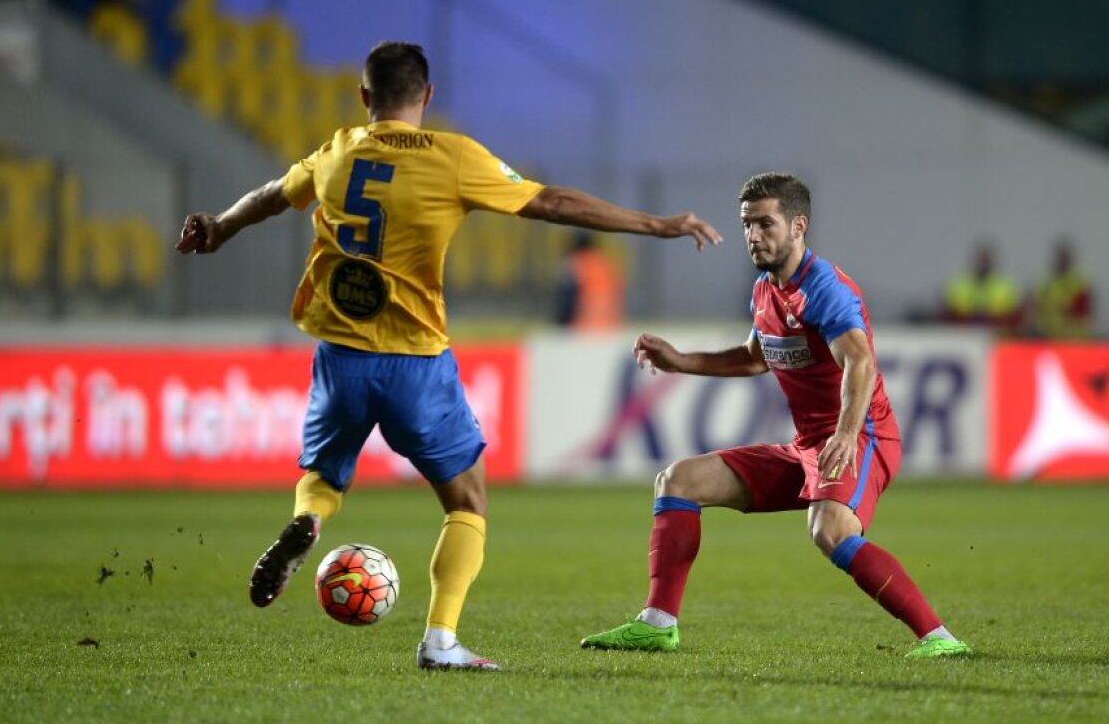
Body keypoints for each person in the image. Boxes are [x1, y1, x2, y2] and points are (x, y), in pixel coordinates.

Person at [175, 41, 722, 671]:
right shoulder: (453, 158)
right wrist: (656, 225)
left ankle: (308, 521)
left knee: (324, 476)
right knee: (468, 502)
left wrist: (219, 226)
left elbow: (274, 193)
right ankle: (440, 640)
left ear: (364, 97)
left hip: (339, 356)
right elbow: (551, 203)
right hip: (415, 363)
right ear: (427, 97)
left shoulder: (338, 149)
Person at [580, 173, 970, 659]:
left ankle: (939, 639)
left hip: (863, 436)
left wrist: (847, 433)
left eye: (765, 223)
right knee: (678, 480)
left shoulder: (825, 287)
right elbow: (753, 357)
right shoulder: (766, 290)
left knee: (829, 531)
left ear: (798, 225)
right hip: (809, 445)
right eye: (747, 225)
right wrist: (680, 361)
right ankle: (658, 623)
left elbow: (860, 360)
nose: (753, 235)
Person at [942, 242, 1021, 332]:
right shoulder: (959, 283)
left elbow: (1013, 316)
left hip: (997, 334)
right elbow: (949, 313)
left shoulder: (1006, 285)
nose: (983, 264)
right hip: (964, 334)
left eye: (986, 261)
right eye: (981, 260)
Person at [553, 230, 624, 330]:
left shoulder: (575, 263)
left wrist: (561, 325)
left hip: (583, 327)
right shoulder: (606, 264)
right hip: (610, 327)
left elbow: (566, 301)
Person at [1032, 238, 1093, 339]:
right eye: (1060, 257)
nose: (1062, 260)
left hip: (1076, 339)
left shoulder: (1080, 281)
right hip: (1051, 337)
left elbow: (1082, 310)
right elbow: (1039, 307)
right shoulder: (1047, 282)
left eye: (1065, 257)